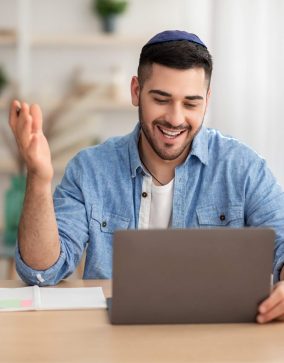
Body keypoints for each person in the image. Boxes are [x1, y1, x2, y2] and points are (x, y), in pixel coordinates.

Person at [8, 30, 284, 323]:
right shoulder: (89, 169)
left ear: (207, 99)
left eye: (191, 103)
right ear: (136, 91)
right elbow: (42, 271)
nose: (176, 119)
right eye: (161, 99)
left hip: (215, 337)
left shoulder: (243, 167)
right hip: (113, 341)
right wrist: (38, 175)